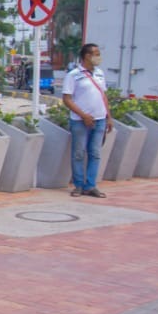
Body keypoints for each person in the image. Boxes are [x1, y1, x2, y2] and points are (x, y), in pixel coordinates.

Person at [60, 43, 113, 198]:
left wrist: (109, 117)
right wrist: (83, 115)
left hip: (100, 119)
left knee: (95, 153)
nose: (98, 57)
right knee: (78, 153)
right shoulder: (74, 75)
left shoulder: (100, 74)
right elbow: (67, 99)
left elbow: (103, 96)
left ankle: (91, 186)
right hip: (80, 121)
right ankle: (78, 185)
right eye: (95, 53)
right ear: (86, 56)